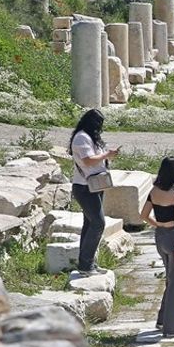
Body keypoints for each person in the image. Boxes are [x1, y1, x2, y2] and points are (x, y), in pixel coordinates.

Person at [139, 158, 174, 338]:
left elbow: (143, 215)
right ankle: (171, 328)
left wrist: (158, 224)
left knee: (170, 280)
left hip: (160, 237)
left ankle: (162, 320)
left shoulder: (153, 192)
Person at [69, 109, 118, 277]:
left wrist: (109, 155)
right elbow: (88, 160)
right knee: (98, 223)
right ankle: (86, 265)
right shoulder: (81, 137)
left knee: (89, 224)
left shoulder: (91, 137)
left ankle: (87, 262)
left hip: (95, 185)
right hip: (84, 187)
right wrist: (106, 155)